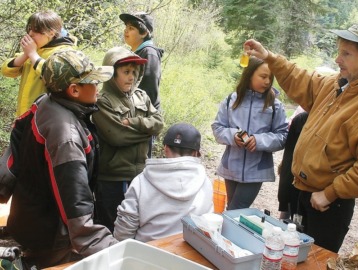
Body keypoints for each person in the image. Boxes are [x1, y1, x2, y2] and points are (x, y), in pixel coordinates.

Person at [243, 22, 358, 252]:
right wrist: (269, 58)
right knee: (292, 255)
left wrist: (330, 193)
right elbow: (300, 79)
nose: (337, 59)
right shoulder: (337, 83)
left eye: (346, 54)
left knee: (315, 260)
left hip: (329, 205)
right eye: (339, 52)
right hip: (303, 192)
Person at [0, 50, 118, 268]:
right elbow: (74, 198)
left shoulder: (45, 102)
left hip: (30, 216)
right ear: (74, 90)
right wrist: (106, 246)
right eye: (93, 82)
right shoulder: (66, 136)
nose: (98, 87)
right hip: (50, 234)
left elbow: (16, 140)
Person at [92, 46, 164, 233]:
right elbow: (117, 136)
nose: (131, 77)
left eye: (134, 72)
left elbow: (159, 123)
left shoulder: (141, 96)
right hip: (113, 177)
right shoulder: (102, 101)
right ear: (112, 73)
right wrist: (147, 132)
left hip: (140, 174)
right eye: (125, 72)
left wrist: (134, 122)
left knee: (136, 224)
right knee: (111, 226)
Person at [114, 123, 213, 242]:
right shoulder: (205, 181)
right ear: (196, 153)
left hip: (147, 254)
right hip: (190, 252)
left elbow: (124, 230)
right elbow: (208, 224)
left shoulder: (141, 181)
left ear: (165, 149)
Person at [211, 56, 288, 210]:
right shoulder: (230, 100)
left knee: (236, 208)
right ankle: (230, 233)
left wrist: (258, 141)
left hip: (256, 170)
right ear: (250, 74)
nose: (267, 82)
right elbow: (218, 128)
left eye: (270, 78)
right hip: (231, 166)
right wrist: (233, 136)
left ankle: (227, 232)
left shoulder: (275, 106)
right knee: (232, 209)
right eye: (263, 76)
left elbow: (283, 136)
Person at [1, 10, 77, 117]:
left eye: (36, 30)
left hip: (47, 119)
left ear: (51, 33)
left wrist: (32, 54)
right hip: (24, 117)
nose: (30, 34)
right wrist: (26, 54)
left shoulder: (64, 52)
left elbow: (54, 76)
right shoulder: (36, 49)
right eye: (30, 29)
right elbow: (6, 71)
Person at [119, 12, 164, 111]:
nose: (126, 31)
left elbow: (149, 89)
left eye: (131, 28)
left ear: (144, 33)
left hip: (145, 114)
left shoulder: (149, 53)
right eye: (126, 27)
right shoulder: (135, 52)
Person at [278, 111, 308, 220]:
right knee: (292, 222)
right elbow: (289, 157)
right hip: (295, 183)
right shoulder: (301, 119)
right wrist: (283, 198)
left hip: (315, 190)